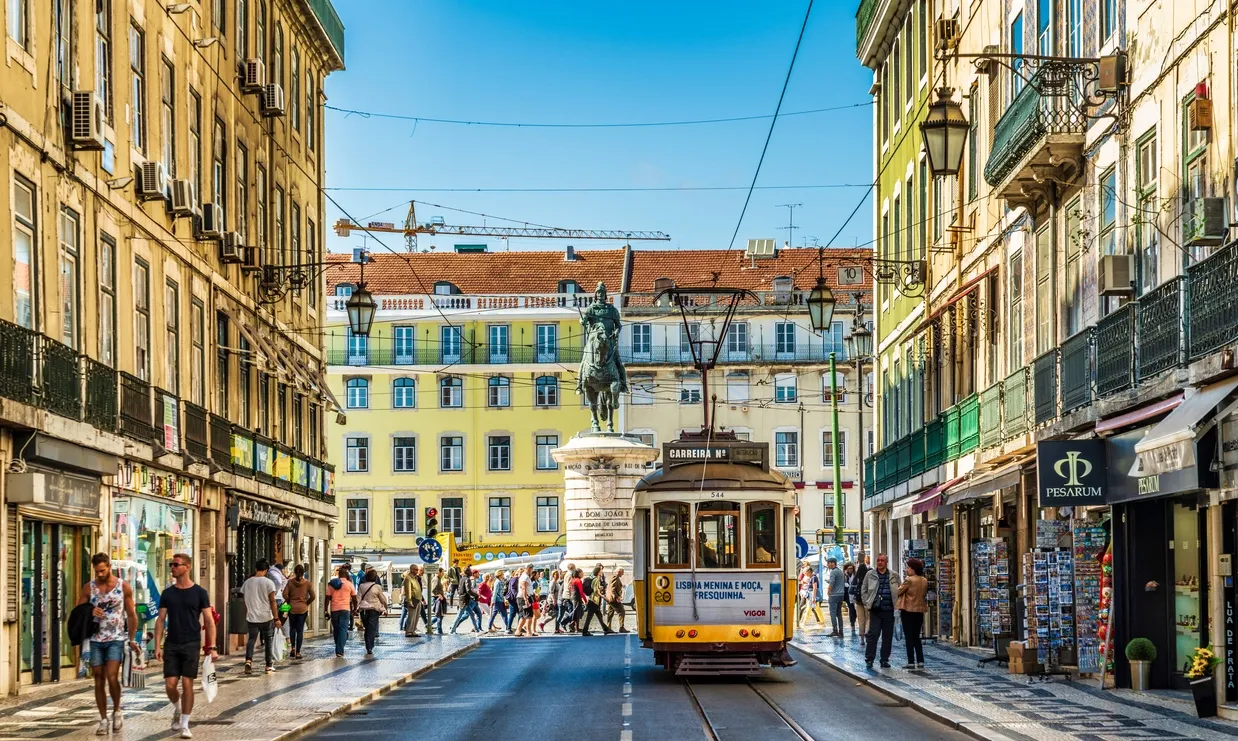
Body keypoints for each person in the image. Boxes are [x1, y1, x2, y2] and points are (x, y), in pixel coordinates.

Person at [77, 553, 140, 736]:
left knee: (112, 676)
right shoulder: (89, 588)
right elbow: (77, 611)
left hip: (116, 638)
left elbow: (131, 613)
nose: (100, 574)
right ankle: (103, 718)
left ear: (110, 566)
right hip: (95, 639)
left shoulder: (123, 587)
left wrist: (132, 638)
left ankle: (117, 710)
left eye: (103, 570)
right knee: (98, 676)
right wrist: (90, 611)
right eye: (97, 572)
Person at [153, 553, 216, 739]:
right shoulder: (167, 593)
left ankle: (185, 724)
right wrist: (157, 645)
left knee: (187, 683)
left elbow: (209, 620)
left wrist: (211, 647)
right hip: (172, 643)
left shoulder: (199, 593)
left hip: (191, 643)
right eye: (171, 564)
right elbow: (160, 620)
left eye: (176, 565)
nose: (172, 567)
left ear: (187, 567)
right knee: (170, 685)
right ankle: (178, 708)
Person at [861, 553, 902, 669]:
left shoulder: (894, 575)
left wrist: (897, 605)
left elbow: (900, 590)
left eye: (882, 560)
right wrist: (867, 602)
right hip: (875, 611)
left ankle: (884, 659)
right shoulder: (870, 574)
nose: (880, 562)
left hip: (889, 611)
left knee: (887, 637)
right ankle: (869, 659)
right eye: (878, 560)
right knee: (873, 635)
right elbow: (863, 590)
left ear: (886, 562)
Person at [241, 559, 282, 674]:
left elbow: (245, 600)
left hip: (252, 617)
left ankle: (248, 661)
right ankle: (268, 665)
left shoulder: (247, 582)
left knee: (251, 640)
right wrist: (276, 618)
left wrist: (249, 610)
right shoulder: (269, 583)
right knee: (268, 640)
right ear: (266, 570)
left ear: (256, 569)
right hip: (266, 617)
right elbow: (273, 602)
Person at [897, 557, 930, 669]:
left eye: (908, 567)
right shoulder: (924, 580)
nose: (907, 570)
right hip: (919, 610)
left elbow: (899, 591)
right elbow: (924, 594)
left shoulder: (909, 580)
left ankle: (911, 661)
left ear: (913, 569)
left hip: (908, 610)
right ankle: (920, 660)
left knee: (909, 636)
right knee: (916, 636)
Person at [281, 564, 315, 658]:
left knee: (292, 628)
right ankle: (298, 652)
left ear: (295, 572)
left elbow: (284, 594)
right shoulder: (308, 583)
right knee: (300, 631)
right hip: (303, 609)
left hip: (292, 608)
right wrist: (306, 603)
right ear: (303, 572)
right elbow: (313, 596)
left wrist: (289, 601)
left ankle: (292, 648)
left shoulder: (290, 582)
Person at [326, 565, 358, 657]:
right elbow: (354, 599)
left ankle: (338, 646)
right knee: (343, 629)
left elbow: (327, 598)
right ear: (346, 575)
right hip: (345, 609)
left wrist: (325, 610)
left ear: (339, 575)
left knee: (336, 629)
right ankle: (340, 650)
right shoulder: (349, 584)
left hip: (334, 609)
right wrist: (354, 609)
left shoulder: (332, 584)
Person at [357, 569, 389, 655]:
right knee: (372, 629)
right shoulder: (377, 587)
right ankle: (370, 646)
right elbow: (383, 599)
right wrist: (385, 608)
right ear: (375, 578)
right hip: (373, 610)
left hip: (363, 610)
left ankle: (368, 646)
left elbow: (358, 598)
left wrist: (355, 608)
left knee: (367, 628)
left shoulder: (361, 586)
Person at [581, 564, 616, 636]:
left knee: (599, 616)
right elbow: (596, 592)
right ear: (598, 572)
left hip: (593, 600)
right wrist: (605, 597)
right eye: (600, 571)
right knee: (589, 617)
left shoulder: (594, 579)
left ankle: (605, 629)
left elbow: (595, 589)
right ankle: (585, 631)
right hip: (594, 601)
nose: (601, 572)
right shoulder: (596, 580)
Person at [451, 568, 482, 633]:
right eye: (470, 571)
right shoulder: (467, 579)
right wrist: (476, 595)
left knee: (472, 614)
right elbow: (469, 590)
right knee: (459, 615)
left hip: (464, 600)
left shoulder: (462, 579)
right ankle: (452, 630)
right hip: (465, 600)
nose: (471, 572)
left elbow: (460, 590)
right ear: (468, 572)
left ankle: (477, 630)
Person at [824, 557, 845, 638]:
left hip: (834, 595)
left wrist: (828, 591)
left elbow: (832, 583)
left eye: (828, 563)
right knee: (839, 614)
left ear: (832, 563)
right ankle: (841, 631)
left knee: (833, 614)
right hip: (841, 595)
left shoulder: (833, 572)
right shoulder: (840, 572)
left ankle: (835, 630)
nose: (827, 565)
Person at [853, 554, 871, 645]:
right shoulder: (869, 576)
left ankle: (862, 639)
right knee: (868, 618)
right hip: (867, 600)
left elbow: (851, 588)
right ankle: (867, 633)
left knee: (861, 619)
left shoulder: (857, 577)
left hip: (858, 600)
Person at [403, 565, 425, 637]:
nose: (416, 571)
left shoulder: (415, 578)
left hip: (418, 599)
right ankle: (409, 631)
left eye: (417, 569)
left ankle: (413, 631)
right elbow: (408, 591)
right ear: (411, 570)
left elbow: (418, 590)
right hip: (413, 600)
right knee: (411, 617)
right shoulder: (408, 578)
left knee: (416, 617)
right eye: (415, 569)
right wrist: (409, 601)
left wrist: (422, 599)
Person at [605, 567, 628, 633]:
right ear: (619, 572)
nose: (623, 574)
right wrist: (617, 597)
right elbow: (613, 589)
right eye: (622, 572)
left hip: (610, 599)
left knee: (610, 613)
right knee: (622, 611)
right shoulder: (615, 577)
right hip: (613, 599)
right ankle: (621, 627)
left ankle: (608, 627)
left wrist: (622, 586)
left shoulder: (615, 577)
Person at [842, 562, 859, 637]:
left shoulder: (856, 575)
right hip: (848, 595)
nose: (850, 570)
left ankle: (855, 623)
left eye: (851, 568)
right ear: (846, 569)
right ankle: (852, 625)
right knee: (851, 610)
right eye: (849, 569)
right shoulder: (844, 575)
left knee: (856, 610)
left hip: (855, 595)